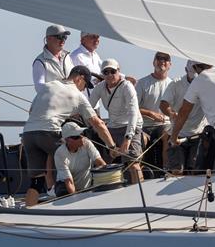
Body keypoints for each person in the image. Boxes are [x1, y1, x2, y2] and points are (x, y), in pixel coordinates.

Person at [22, 65, 115, 206]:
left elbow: (31, 111)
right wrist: (112, 146)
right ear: (79, 78)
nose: (84, 89)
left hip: (28, 134)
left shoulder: (49, 85)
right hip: (49, 132)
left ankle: (27, 215)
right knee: (76, 152)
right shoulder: (78, 96)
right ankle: (64, 196)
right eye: (85, 85)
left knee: (36, 181)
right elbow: (98, 123)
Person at [88, 58, 144, 184]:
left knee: (133, 163)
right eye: (106, 72)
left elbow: (133, 113)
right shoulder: (100, 88)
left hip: (131, 126)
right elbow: (88, 107)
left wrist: (127, 139)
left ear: (118, 71)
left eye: (112, 71)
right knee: (102, 163)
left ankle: (139, 194)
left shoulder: (127, 87)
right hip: (113, 127)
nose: (109, 75)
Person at [160, 60, 208, 174]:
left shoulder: (206, 85)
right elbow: (163, 104)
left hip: (198, 134)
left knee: (194, 172)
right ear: (186, 70)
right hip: (177, 134)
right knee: (176, 171)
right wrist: (171, 113)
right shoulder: (176, 83)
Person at [135, 52, 173, 173]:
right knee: (140, 138)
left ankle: (166, 170)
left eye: (165, 59)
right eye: (159, 58)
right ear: (153, 62)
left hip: (165, 125)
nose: (162, 61)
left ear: (170, 64)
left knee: (167, 134)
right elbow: (133, 108)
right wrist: (151, 114)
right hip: (144, 125)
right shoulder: (142, 83)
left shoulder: (173, 85)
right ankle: (140, 172)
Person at [53, 122, 107, 196]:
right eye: (76, 137)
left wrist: (109, 179)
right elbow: (69, 181)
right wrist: (75, 198)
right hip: (65, 186)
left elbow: (100, 163)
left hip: (86, 186)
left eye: (82, 134)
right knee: (63, 191)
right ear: (67, 140)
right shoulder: (60, 153)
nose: (81, 138)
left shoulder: (87, 143)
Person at [32, 24, 74, 93]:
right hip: (54, 102)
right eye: (59, 37)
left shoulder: (67, 57)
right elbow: (39, 87)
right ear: (48, 39)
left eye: (64, 37)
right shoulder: (40, 62)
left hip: (71, 101)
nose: (63, 40)